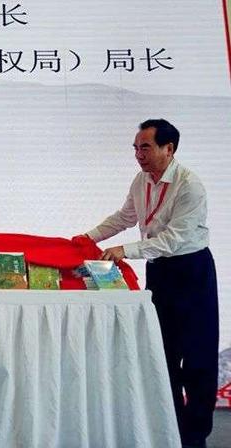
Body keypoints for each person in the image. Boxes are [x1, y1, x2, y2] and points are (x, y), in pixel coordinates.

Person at [79, 119, 218, 448]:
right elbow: (125, 217)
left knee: (197, 358)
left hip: (191, 270)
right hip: (160, 272)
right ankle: (170, 427)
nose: (138, 155)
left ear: (169, 149)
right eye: (135, 148)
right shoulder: (141, 180)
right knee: (162, 353)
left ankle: (196, 435)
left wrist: (124, 250)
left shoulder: (190, 186)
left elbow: (173, 239)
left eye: (145, 147)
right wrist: (86, 238)